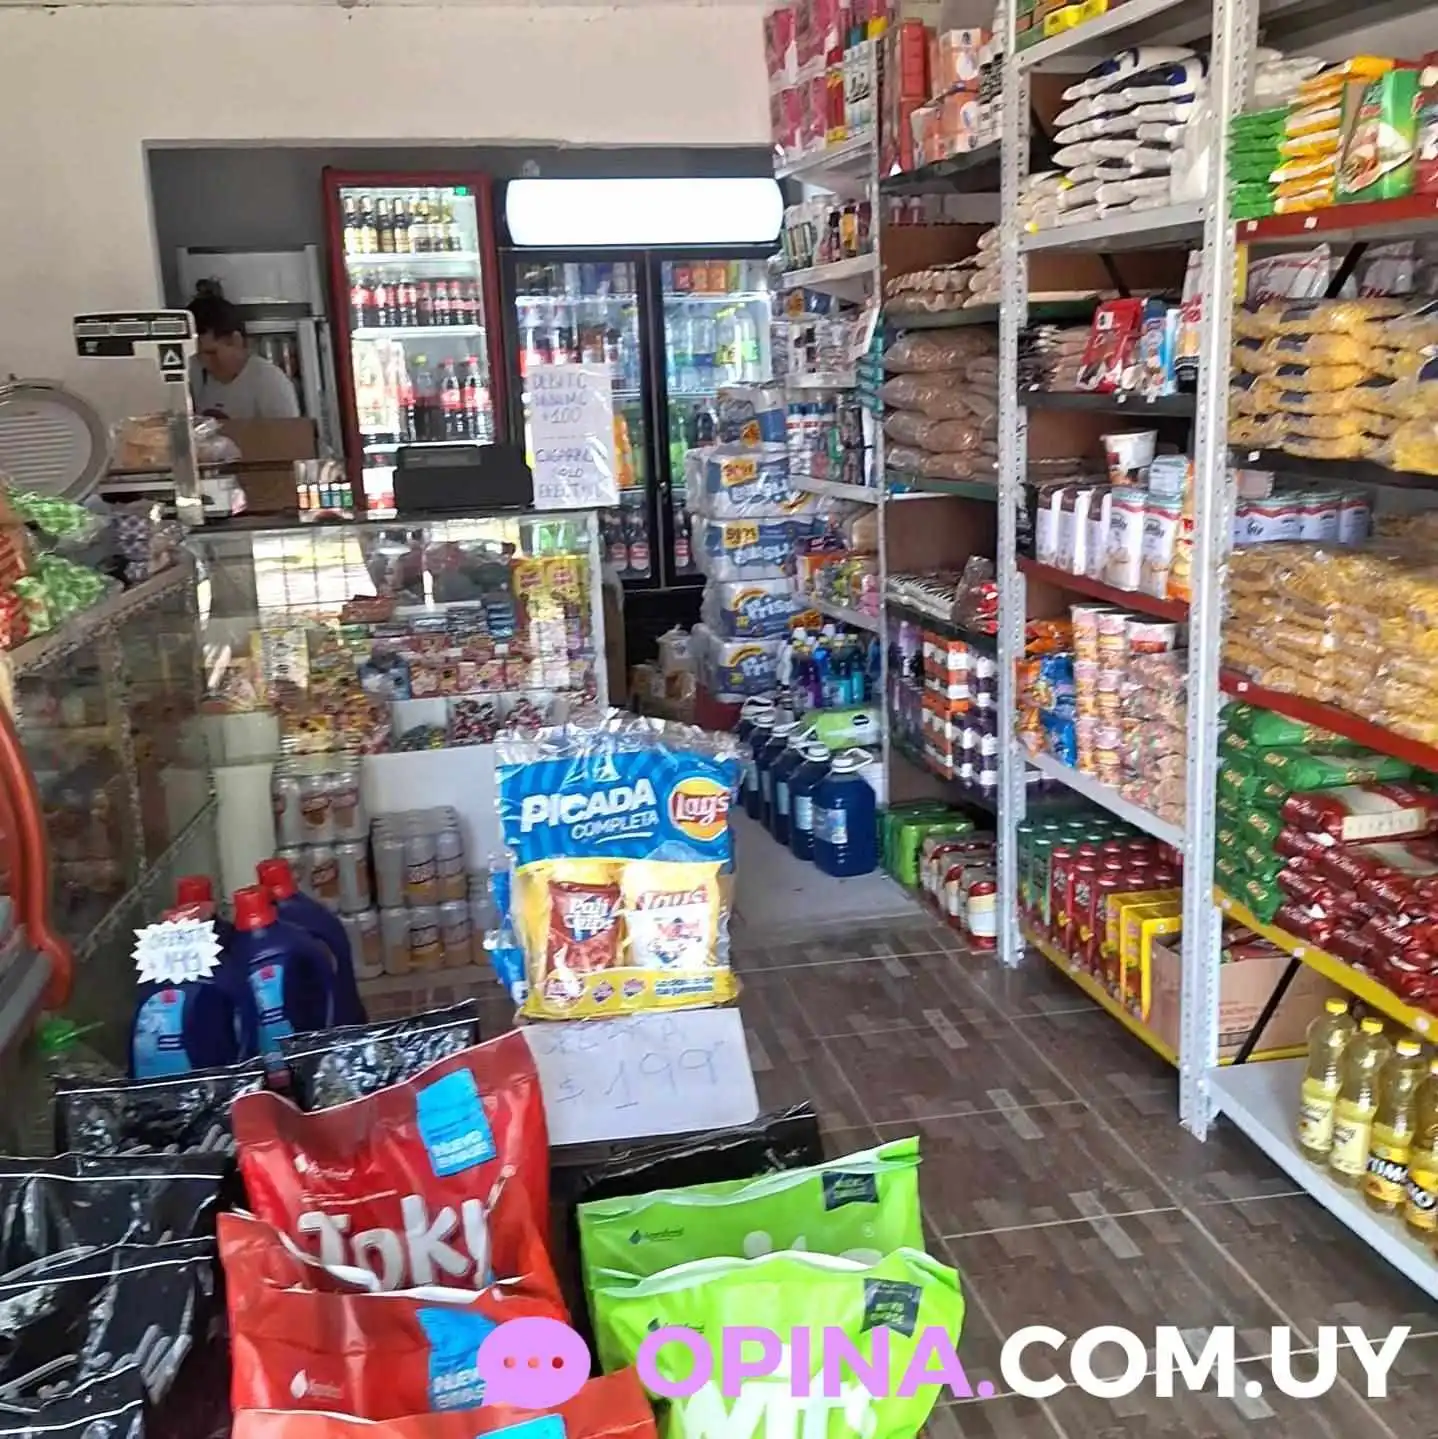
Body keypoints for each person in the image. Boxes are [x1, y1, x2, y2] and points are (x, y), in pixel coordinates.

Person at [188, 295, 301, 420]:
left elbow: (290, 431)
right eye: (197, 355)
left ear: (236, 341)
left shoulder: (269, 382)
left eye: (211, 353)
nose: (205, 363)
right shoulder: (198, 379)